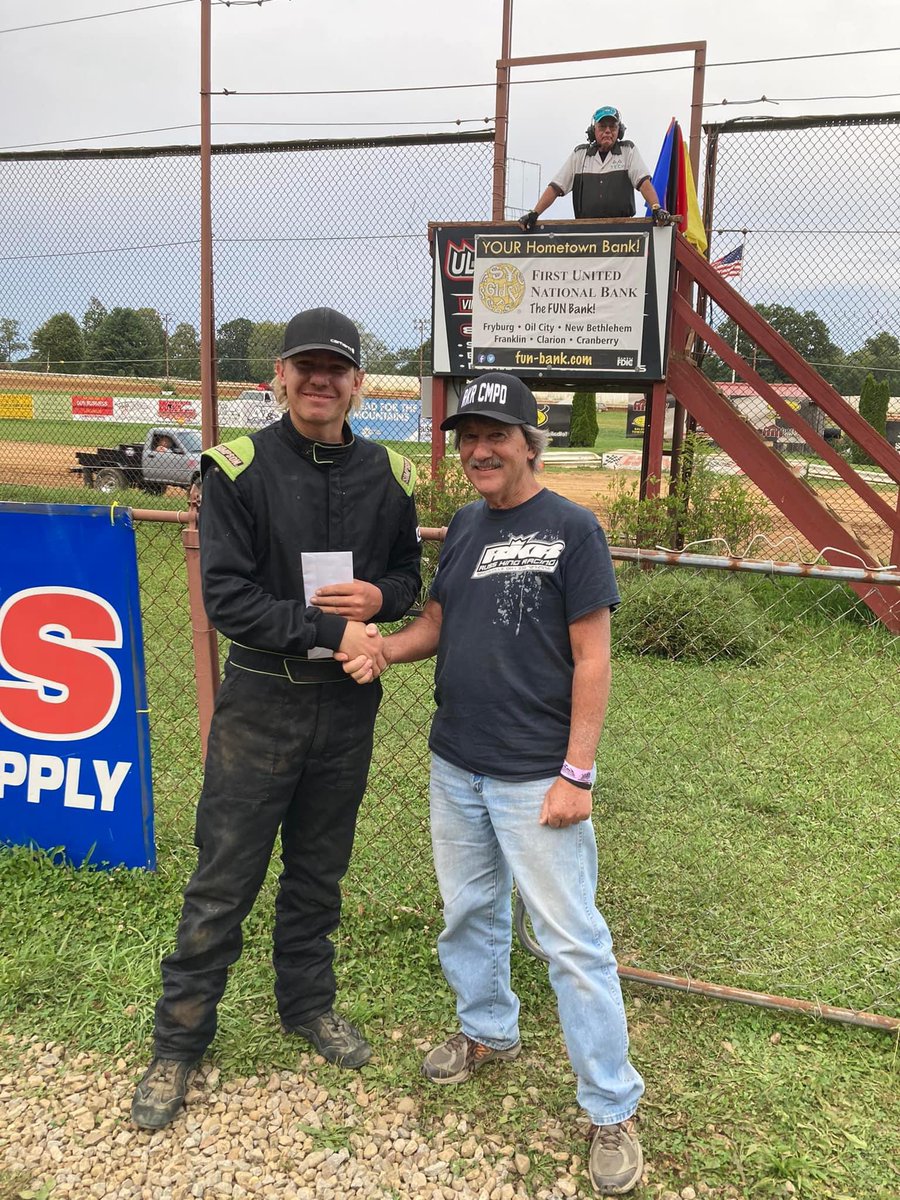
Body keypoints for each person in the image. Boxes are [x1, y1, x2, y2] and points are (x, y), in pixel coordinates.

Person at [339, 371, 645, 1195]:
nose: (478, 449)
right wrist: (379, 648)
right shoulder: (468, 525)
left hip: (535, 774)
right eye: (467, 437)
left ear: (528, 440)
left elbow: (594, 655)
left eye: (495, 434)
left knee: (571, 941)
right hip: (457, 763)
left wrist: (577, 772)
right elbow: (439, 621)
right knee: (470, 911)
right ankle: (486, 1032)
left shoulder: (574, 528)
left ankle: (611, 1105)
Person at [131, 307, 421, 1130]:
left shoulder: (389, 475)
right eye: (307, 366)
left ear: (359, 383)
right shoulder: (238, 467)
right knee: (224, 880)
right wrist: (333, 628)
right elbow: (227, 598)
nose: (321, 380)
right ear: (281, 378)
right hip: (261, 699)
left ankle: (307, 1004)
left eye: (337, 368)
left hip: (346, 705)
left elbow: (406, 574)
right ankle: (178, 1042)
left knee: (318, 871)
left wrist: (379, 599)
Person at [520, 105, 669, 229]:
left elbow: (643, 182)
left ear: (620, 131)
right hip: (586, 231)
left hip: (623, 230)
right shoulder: (580, 154)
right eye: (602, 127)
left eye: (612, 127)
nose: (608, 131)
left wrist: (656, 207)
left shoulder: (628, 150)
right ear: (593, 131)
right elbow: (556, 187)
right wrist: (534, 213)